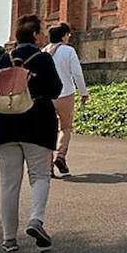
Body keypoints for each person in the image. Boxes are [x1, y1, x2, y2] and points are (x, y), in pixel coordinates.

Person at [0, 14, 63, 253]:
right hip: (36, 125)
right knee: (39, 177)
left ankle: (8, 239)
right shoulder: (43, 59)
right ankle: (35, 220)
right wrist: (34, 91)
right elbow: (56, 90)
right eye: (41, 31)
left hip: (5, 126)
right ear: (36, 35)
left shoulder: (5, 58)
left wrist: (9, 94)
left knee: (9, 184)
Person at [43, 23, 88, 175]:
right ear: (63, 36)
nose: (69, 37)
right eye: (68, 35)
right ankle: (60, 156)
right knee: (65, 127)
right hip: (65, 93)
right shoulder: (68, 51)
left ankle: (48, 165)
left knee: (49, 129)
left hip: (47, 96)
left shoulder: (44, 51)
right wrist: (83, 92)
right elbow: (77, 73)